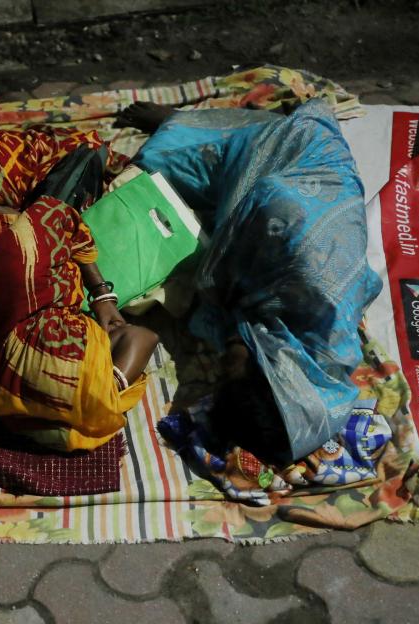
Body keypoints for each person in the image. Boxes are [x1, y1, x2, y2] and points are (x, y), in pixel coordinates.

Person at [116, 98, 381, 464]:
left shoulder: (305, 364)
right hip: (293, 160)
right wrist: (224, 266)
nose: (224, 357)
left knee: (163, 208)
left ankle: (237, 132)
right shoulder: (317, 297)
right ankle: (182, 122)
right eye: (230, 368)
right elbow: (273, 199)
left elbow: (246, 324)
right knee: (153, 164)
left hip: (281, 216)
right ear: (269, 367)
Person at [0, 123, 159, 452]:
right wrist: (107, 383)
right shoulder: (4, 384)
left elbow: (61, 217)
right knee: (87, 159)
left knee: (76, 150)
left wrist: (102, 297)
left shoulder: (25, 273)